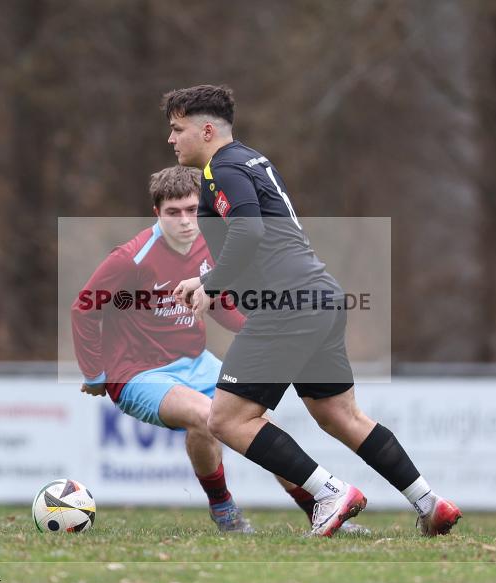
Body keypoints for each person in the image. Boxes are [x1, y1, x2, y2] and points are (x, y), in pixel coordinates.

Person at [165, 85, 461, 537]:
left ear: (206, 130)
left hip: (287, 304)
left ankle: (328, 493)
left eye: (177, 129)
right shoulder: (250, 160)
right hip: (319, 295)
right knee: (339, 415)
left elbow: (248, 233)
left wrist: (209, 282)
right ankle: (428, 502)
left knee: (224, 419)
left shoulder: (219, 169)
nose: (172, 139)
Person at [71, 165, 368, 534]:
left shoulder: (208, 245)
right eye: (173, 212)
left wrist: (265, 331)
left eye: (193, 210)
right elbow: (84, 307)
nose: (185, 221)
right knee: (207, 416)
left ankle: (320, 510)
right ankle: (224, 508)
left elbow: (220, 303)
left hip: (197, 363)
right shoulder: (131, 257)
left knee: (259, 424)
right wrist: (95, 374)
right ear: (156, 214)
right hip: (137, 373)